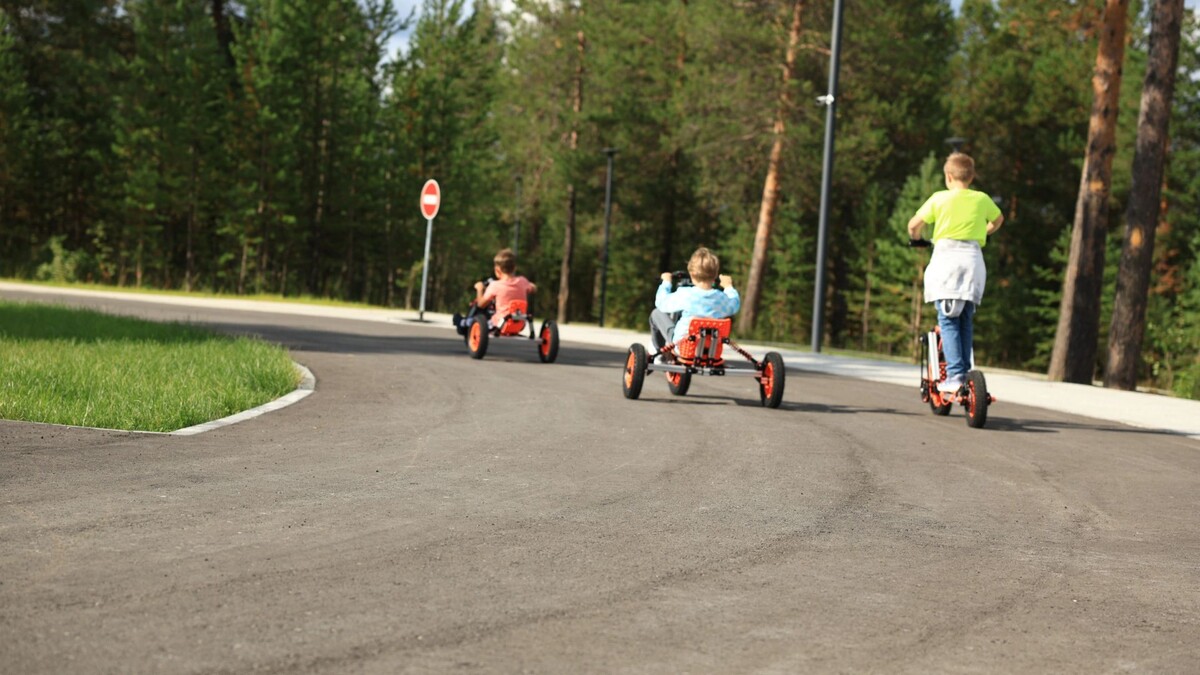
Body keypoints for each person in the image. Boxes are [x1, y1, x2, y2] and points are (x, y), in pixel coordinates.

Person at [907, 152, 1004, 393]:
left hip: (948, 262)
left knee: (948, 321)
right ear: (971, 177)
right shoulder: (981, 199)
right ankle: (966, 373)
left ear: (948, 176)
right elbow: (999, 219)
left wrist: (917, 240)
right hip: (973, 263)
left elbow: (913, 225)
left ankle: (955, 376)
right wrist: (983, 230)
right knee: (965, 320)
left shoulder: (939, 199)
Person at [650, 247, 740, 357]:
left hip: (683, 346)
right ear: (715, 274)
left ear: (691, 273)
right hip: (711, 350)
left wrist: (666, 283)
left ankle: (660, 353)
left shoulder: (686, 294)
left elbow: (661, 303)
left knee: (656, 313)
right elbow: (734, 305)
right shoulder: (720, 297)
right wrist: (729, 286)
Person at [453, 248, 536, 333]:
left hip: (499, 324)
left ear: (497, 270)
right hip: (519, 324)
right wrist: (530, 285)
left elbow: (481, 304)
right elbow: (533, 288)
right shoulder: (523, 281)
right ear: (514, 268)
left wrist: (480, 289)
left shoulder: (495, 285)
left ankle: (462, 322)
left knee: (474, 321)